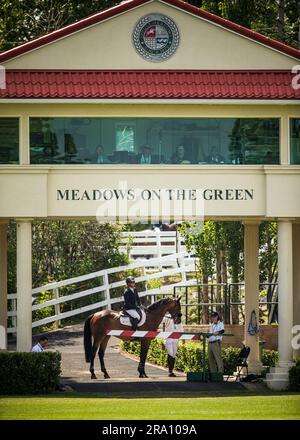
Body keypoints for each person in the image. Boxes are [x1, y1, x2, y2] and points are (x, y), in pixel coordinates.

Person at [163, 312, 183, 377]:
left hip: (175, 340)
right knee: (170, 353)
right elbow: (163, 322)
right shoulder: (167, 318)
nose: (177, 317)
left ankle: (171, 370)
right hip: (168, 339)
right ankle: (170, 371)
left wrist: (182, 340)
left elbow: (181, 331)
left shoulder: (179, 321)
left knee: (173, 355)